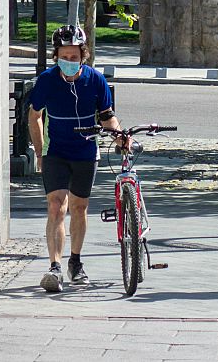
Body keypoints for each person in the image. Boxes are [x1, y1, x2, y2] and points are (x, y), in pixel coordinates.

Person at [28, 25, 127, 293]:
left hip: (85, 152)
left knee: (80, 207)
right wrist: (39, 151)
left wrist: (119, 137)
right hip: (55, 151)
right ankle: (54, 267)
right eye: (64, 56)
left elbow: (107, 116)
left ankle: (75, 261)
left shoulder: (95, 80)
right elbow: (34, 115)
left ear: (83, 55)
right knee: (56, 206)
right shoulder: (47, 80)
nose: (69, 62)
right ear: (56, 56)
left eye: (74, 57)